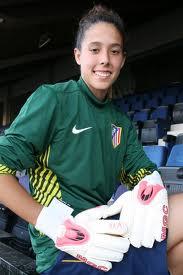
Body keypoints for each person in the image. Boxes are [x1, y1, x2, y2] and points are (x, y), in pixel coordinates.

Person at [0, 4, 182, 275]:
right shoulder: (54, 99)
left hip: (107, 233)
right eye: (95, 49)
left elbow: (143, 172)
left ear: (122, 59)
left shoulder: (120, 124)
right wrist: (58, 227)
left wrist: (149, 184)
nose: (105, 59)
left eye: (115, 51)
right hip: (64, 249)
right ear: (77, 55)